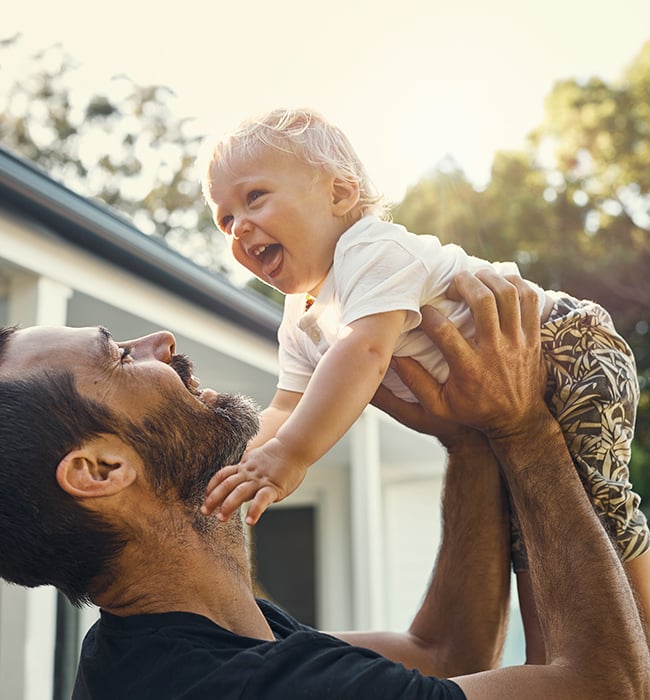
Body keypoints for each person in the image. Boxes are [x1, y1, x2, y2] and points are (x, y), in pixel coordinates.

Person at [0, 271, 648, 698]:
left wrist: (469, 435)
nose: (159, 342)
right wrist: (524, 429)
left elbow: (447, 651)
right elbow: (608, 685)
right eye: (118, 355)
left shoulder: (175, 646)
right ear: (101, 471)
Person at [200, 108, 650, 659]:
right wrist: (231, 459)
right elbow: (285, 406)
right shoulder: (302, 314)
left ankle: (639, 653)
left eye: (255, 198)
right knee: (532, 533)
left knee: (596, 508)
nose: (238, 226)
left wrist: (291, 456)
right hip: (504, 396)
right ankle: (558, 662)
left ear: (340, 195)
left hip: (563, 345)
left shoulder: (369, 250)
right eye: (224, 220)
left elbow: (362, 354)